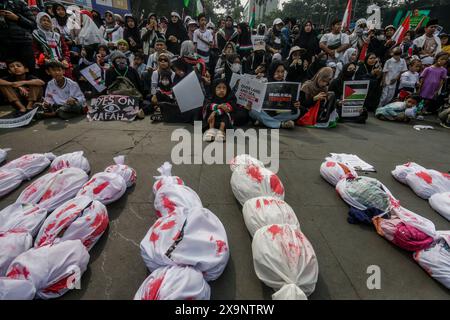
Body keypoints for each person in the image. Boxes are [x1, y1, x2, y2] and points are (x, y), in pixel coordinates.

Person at [248, 61, 301, 129]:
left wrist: (295, 104)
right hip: (264, 112)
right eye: (277, 71)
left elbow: (290, 102)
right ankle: (280, 124)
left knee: (297, 112)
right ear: (272, 71)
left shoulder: (286, 84)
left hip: (278, 113)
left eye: (282, 72)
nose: (280, 74)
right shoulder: (264, 81)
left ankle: (264, 121)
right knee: (252, 111)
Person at [0, 0, 36, 77]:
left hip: (24, 44)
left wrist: (17, 18)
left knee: (29, 74)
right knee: (6, 75)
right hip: (4, 46)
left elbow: (33, 24)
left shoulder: (20, 3)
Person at [32, 12, 72, 80]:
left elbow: (65, 49)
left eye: (48, 21)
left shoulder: (57, 36)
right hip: (45, 63)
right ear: (38, 21)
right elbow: (34, 50)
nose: (46, 22)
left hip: (60, 61)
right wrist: (44, 59)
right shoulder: (35, 35)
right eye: (43, 20)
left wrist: (65, 59)